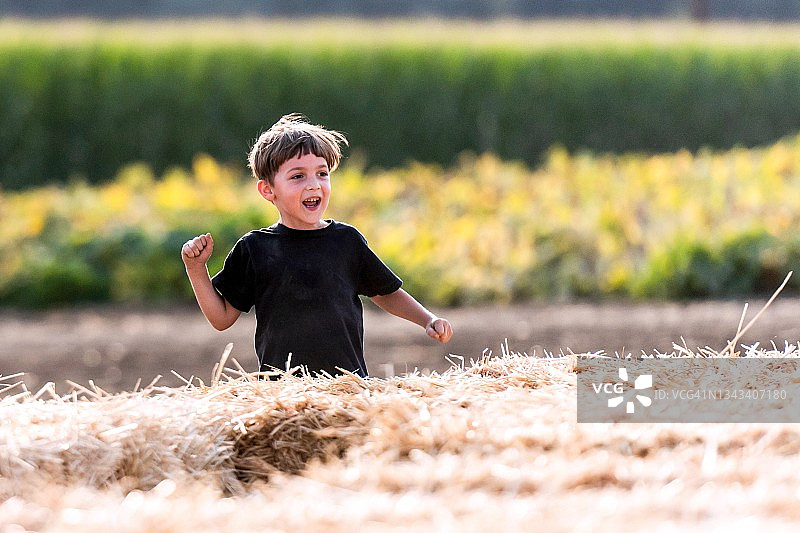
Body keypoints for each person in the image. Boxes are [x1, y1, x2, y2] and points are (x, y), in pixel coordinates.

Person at [181, 114, 453, 378]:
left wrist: (427, 319)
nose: (313, 185)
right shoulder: (255, 249)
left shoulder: (347, 241)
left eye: (322, 173)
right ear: (268, 190)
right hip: (282, 393)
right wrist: (196, 269)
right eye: (298, 176)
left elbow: (386, 293)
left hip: (347, 387)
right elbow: (221, 318)